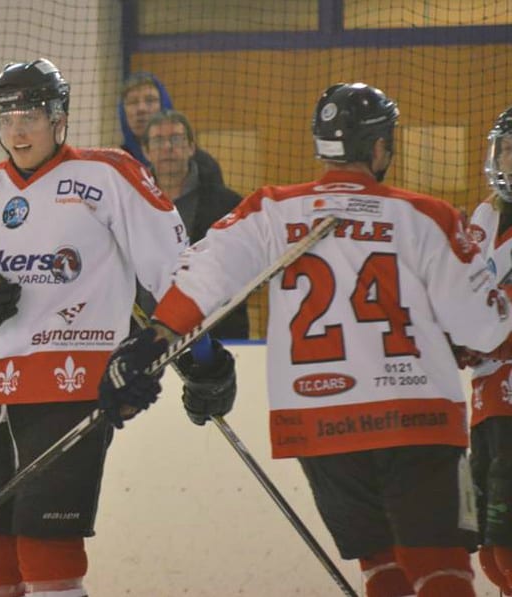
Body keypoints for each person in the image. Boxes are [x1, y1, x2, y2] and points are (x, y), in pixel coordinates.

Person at [98, 82, 512, 597]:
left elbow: (200, 276)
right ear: (380, 146)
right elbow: (483, 328)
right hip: (416, 419)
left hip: (318, 421)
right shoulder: (427, 216)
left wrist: (152, 343)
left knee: (380, 564)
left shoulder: (273, 209)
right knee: (440, 565)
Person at [0, 58, 234, 597]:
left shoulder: (108, 175)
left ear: (59, 118)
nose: (18, 131)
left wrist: (202, 357)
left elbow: (176, 273)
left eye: (31, 116)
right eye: (7, 118)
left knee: (48, 555)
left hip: (72, 393)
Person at [139, 109, 248, 339]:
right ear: (146, 152)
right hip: (143, 337)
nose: (167, 147)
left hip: (214, 333)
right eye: (158, 140)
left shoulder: (227, 205)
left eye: (176, 139)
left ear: (191, 147)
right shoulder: (131, 204)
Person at [467, 104, 512, 594]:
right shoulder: (485, 216)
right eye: (505, 150)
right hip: (487, 397)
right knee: (490, 555)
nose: (508, 160)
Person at [117, 71, 225, 185]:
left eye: (150, 100)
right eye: (133, 102)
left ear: (164, 105)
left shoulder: (204, 166)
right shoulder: (117, 164)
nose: (141, 109)